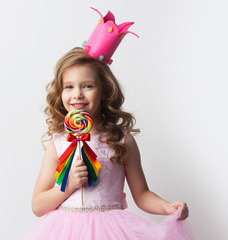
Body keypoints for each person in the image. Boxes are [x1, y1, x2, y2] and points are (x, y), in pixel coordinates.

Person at [24, 47, 194, 239]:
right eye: (69, 86)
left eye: (87, 86)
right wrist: (68, 185)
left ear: (104, 90)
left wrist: (168, 207)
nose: (77, 94)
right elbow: (38, 206)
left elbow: (142, 194)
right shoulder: (59, 144)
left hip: (112, 231)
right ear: (60, 91)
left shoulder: (121, 140)